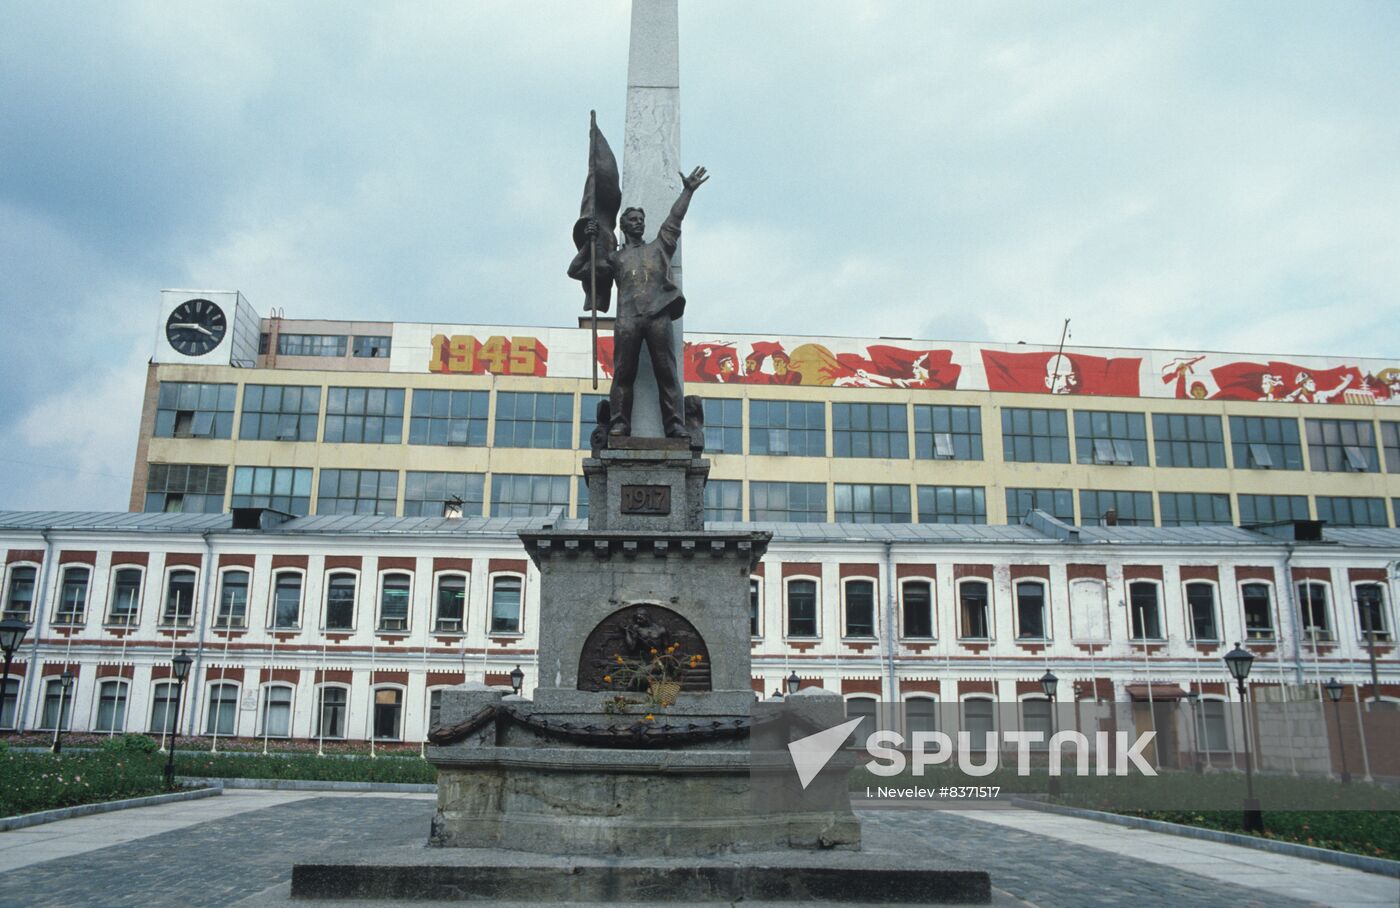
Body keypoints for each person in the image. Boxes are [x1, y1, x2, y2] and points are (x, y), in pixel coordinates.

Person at [569, 167, 709, 437]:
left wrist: (687, 191)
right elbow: (575, 270)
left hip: (658, 315)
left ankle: (674, 424)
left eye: (640, 220)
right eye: (632, 220)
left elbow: (674, 219)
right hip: (627, 320)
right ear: (623, 227)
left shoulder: (659, 247)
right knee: (623, 374)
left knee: (667, 372)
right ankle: (620, 422)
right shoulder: (615, 258)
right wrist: (588, 242)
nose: (638, 223)